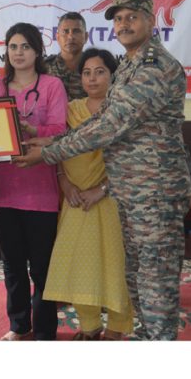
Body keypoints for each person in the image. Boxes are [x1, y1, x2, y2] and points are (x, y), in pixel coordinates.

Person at [16, 0, 191, 341]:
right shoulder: (128, 64)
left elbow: (111, 125)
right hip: (132, 192)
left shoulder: (154, 67)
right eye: (118, 19)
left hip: (155, 193)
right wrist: (50, 141)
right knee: (138, 282)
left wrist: (49, 153)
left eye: (133, 17)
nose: (124, 24)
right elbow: (100, 122)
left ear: (150, 20)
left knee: (156, 285)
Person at [0, 23, 67, 341]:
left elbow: (59, 131)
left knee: (42, 266)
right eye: (13, 47)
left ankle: (44, 330)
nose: (19, 53)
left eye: (25, 46)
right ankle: (18, 324)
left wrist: (29, 129)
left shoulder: (52, 85)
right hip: (3, 189)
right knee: (12, 264)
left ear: (37, 51)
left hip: (40, 190)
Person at [43, 48, 133, 341]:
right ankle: (89, 326)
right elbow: (57, 147)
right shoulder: (70, 110)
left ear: (113, 74)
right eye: (86, 72)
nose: (92, 78)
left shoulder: (122, 111)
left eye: (100, 71)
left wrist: (102, 189)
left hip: (113, 199)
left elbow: (133, 158)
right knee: (78, 262)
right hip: (76, 200)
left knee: (115, 265)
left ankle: (117, 328)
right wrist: (64, 183)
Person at [44, 12, 89, 101]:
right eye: (65, 31)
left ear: (86, 36)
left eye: (76, 31)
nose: (70, 36)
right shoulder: (44, 68)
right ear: (57, 37)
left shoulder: (95, 67)